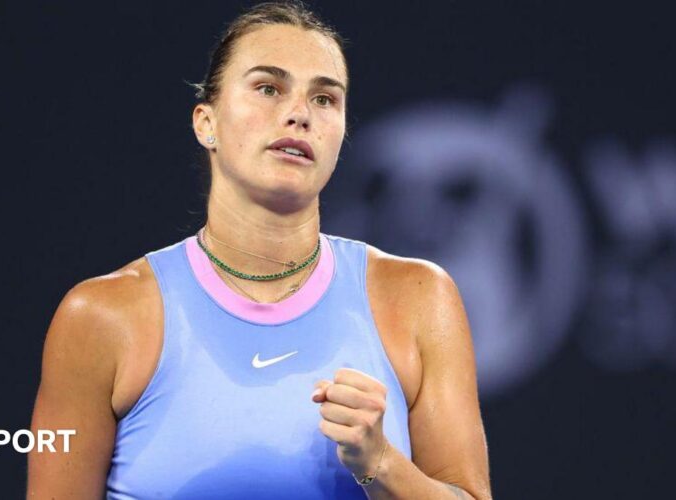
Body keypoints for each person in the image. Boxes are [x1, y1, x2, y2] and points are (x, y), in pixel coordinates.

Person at [27, 2, 491, 499]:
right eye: (268, 88)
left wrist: (381, 463)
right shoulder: (100, 318)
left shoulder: (420, 298)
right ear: (206, 123)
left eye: (325, 99)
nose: (298, 114)